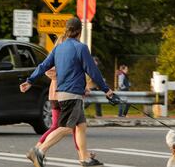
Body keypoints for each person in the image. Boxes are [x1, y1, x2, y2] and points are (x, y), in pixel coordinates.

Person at [20, 17, 114, 167]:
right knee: (65, 128)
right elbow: (92, 70)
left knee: (81, 126)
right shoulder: (81, 48)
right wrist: (106, 89)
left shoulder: (59, 48)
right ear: (79, 31)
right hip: (72, 94)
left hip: (63, 92)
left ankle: (85, 159)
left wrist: (30, 81)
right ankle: (39, 151)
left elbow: (43, 66)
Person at [27, 35, 96, 161]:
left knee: (76, 126)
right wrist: (64, 74)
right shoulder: (59, 55)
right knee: (62, 126)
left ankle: (83, 155)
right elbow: (48, 70)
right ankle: (38, 149)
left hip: (64, 94)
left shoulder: (66, 55)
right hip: (58, 95)